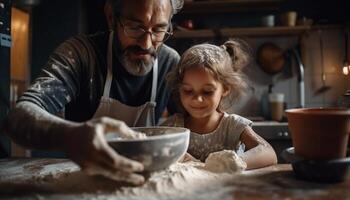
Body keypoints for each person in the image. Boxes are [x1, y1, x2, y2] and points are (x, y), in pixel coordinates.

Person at [3, 0, 184, 185]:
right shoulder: (81, 55)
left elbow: (194, 119)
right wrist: (69, 135)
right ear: (111, 17)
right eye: (135, 27)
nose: (146, 44)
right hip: (84, 178)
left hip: (144, 181)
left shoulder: (170, 64)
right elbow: (19, 116)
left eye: (159, 30)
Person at [162, 40, 278, 169]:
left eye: (207, 91)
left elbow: (269, 153)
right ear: (179, 88)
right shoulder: (173, 127)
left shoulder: (232, 126)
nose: (197, 99)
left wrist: (233, 162)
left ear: (225, 89)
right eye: (188, 91)